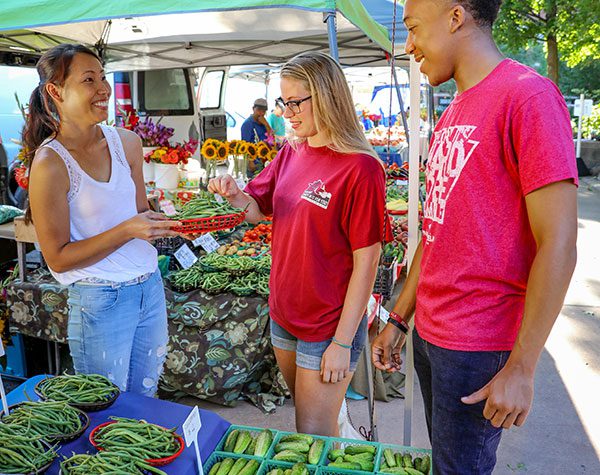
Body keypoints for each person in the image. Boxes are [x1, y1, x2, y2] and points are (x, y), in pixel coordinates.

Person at [372, 0, 578, 473]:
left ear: (456, 17)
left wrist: (523, 367)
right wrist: (400, 318)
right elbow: (436, 229)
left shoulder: (527, 97)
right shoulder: (451, 114)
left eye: (413, 28)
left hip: (478, 346)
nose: (409, 45)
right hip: (431, 335)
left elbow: (560, 245)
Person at [209, 51, 388, 436]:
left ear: (326, 96)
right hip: (285, 313)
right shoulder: (292, 149)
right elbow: (256, 209)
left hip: (327, 325)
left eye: (295, 102)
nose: (287, 112)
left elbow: (368, 262)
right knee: (310, 429)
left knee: (312, 434)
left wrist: (342, 342)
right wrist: (233, 194)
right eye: (282, 101)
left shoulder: (361, 167)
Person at [24, 44, 182, 396]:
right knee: (107, 408)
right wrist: (127, 230)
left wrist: (164, 222)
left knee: (145, 399)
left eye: (103, 78)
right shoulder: (51, 164)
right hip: (101, 299)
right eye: (89, 80)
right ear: (55, 91)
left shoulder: (127, 143)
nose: (104, 90)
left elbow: (141, 214)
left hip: (149, 287)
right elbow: (58, 258)